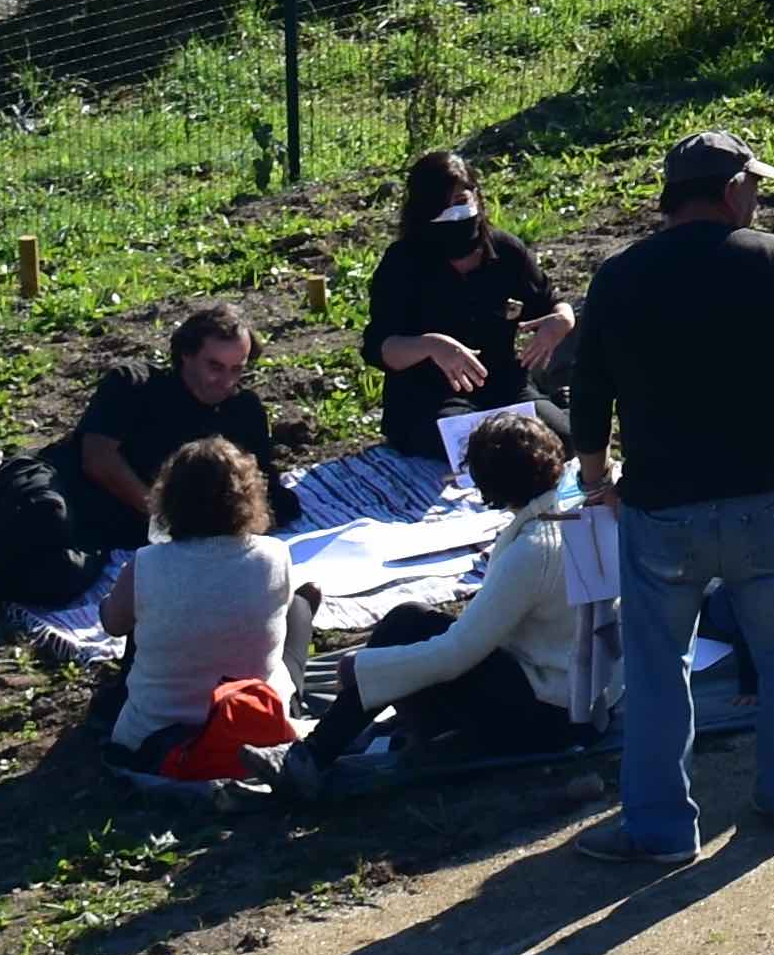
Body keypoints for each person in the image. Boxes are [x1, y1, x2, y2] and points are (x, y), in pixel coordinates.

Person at [563, 131, 774, 863]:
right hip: (764, 501)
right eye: (753, 185)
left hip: (660, 508)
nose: (758, 197)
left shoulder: (619, 275)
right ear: (728, 190)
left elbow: (588, 394)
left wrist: (596, 479)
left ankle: (660, 830)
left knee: (659, 670)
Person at [304, 413, 589, 779]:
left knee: (405, 625)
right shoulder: (581, 506)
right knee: (418, 628)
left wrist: (365, 668)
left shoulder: (533, 550)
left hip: (553, 717)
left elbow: (455, 655)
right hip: (588, 700)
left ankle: (313, 753)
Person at [105, 439, 304, 778]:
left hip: (153, 738)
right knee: (299, 605)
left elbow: (113, 623)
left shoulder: (146, 564)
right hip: (253, 723)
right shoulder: (273, 555)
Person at [362, 154, 572, 463]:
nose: (454, 214)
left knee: (561, 441)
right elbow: (379, 347)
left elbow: (551, 303)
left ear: (477, 197)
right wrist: (431, 346)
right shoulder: (402, 263)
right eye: (441, 207)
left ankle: (557, 405)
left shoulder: (506, 251)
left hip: (504, 385)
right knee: (474, 452)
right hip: (433, 395)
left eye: (461, 201)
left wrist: (562, 320)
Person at [64, 306, 278, 569]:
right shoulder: (134, 386)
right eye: (215, 366)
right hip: (85, 503)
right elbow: (98, 459)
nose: (225, 380)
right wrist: (163, 517)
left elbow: (263, 491)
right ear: (186, 354)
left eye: (236, 370)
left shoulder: (243, 411)